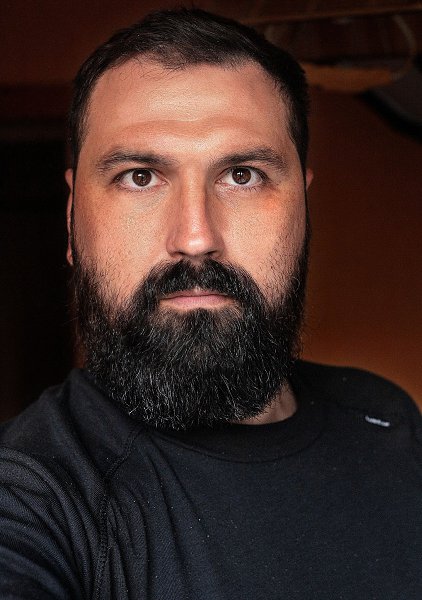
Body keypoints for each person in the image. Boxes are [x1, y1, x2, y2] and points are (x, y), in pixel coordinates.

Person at [0, 8, 420, 599]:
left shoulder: (386, 418)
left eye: (243, 175)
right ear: (72, 219)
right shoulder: (28, 494)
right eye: (140, 176)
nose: (196, 237)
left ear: (304, 210)